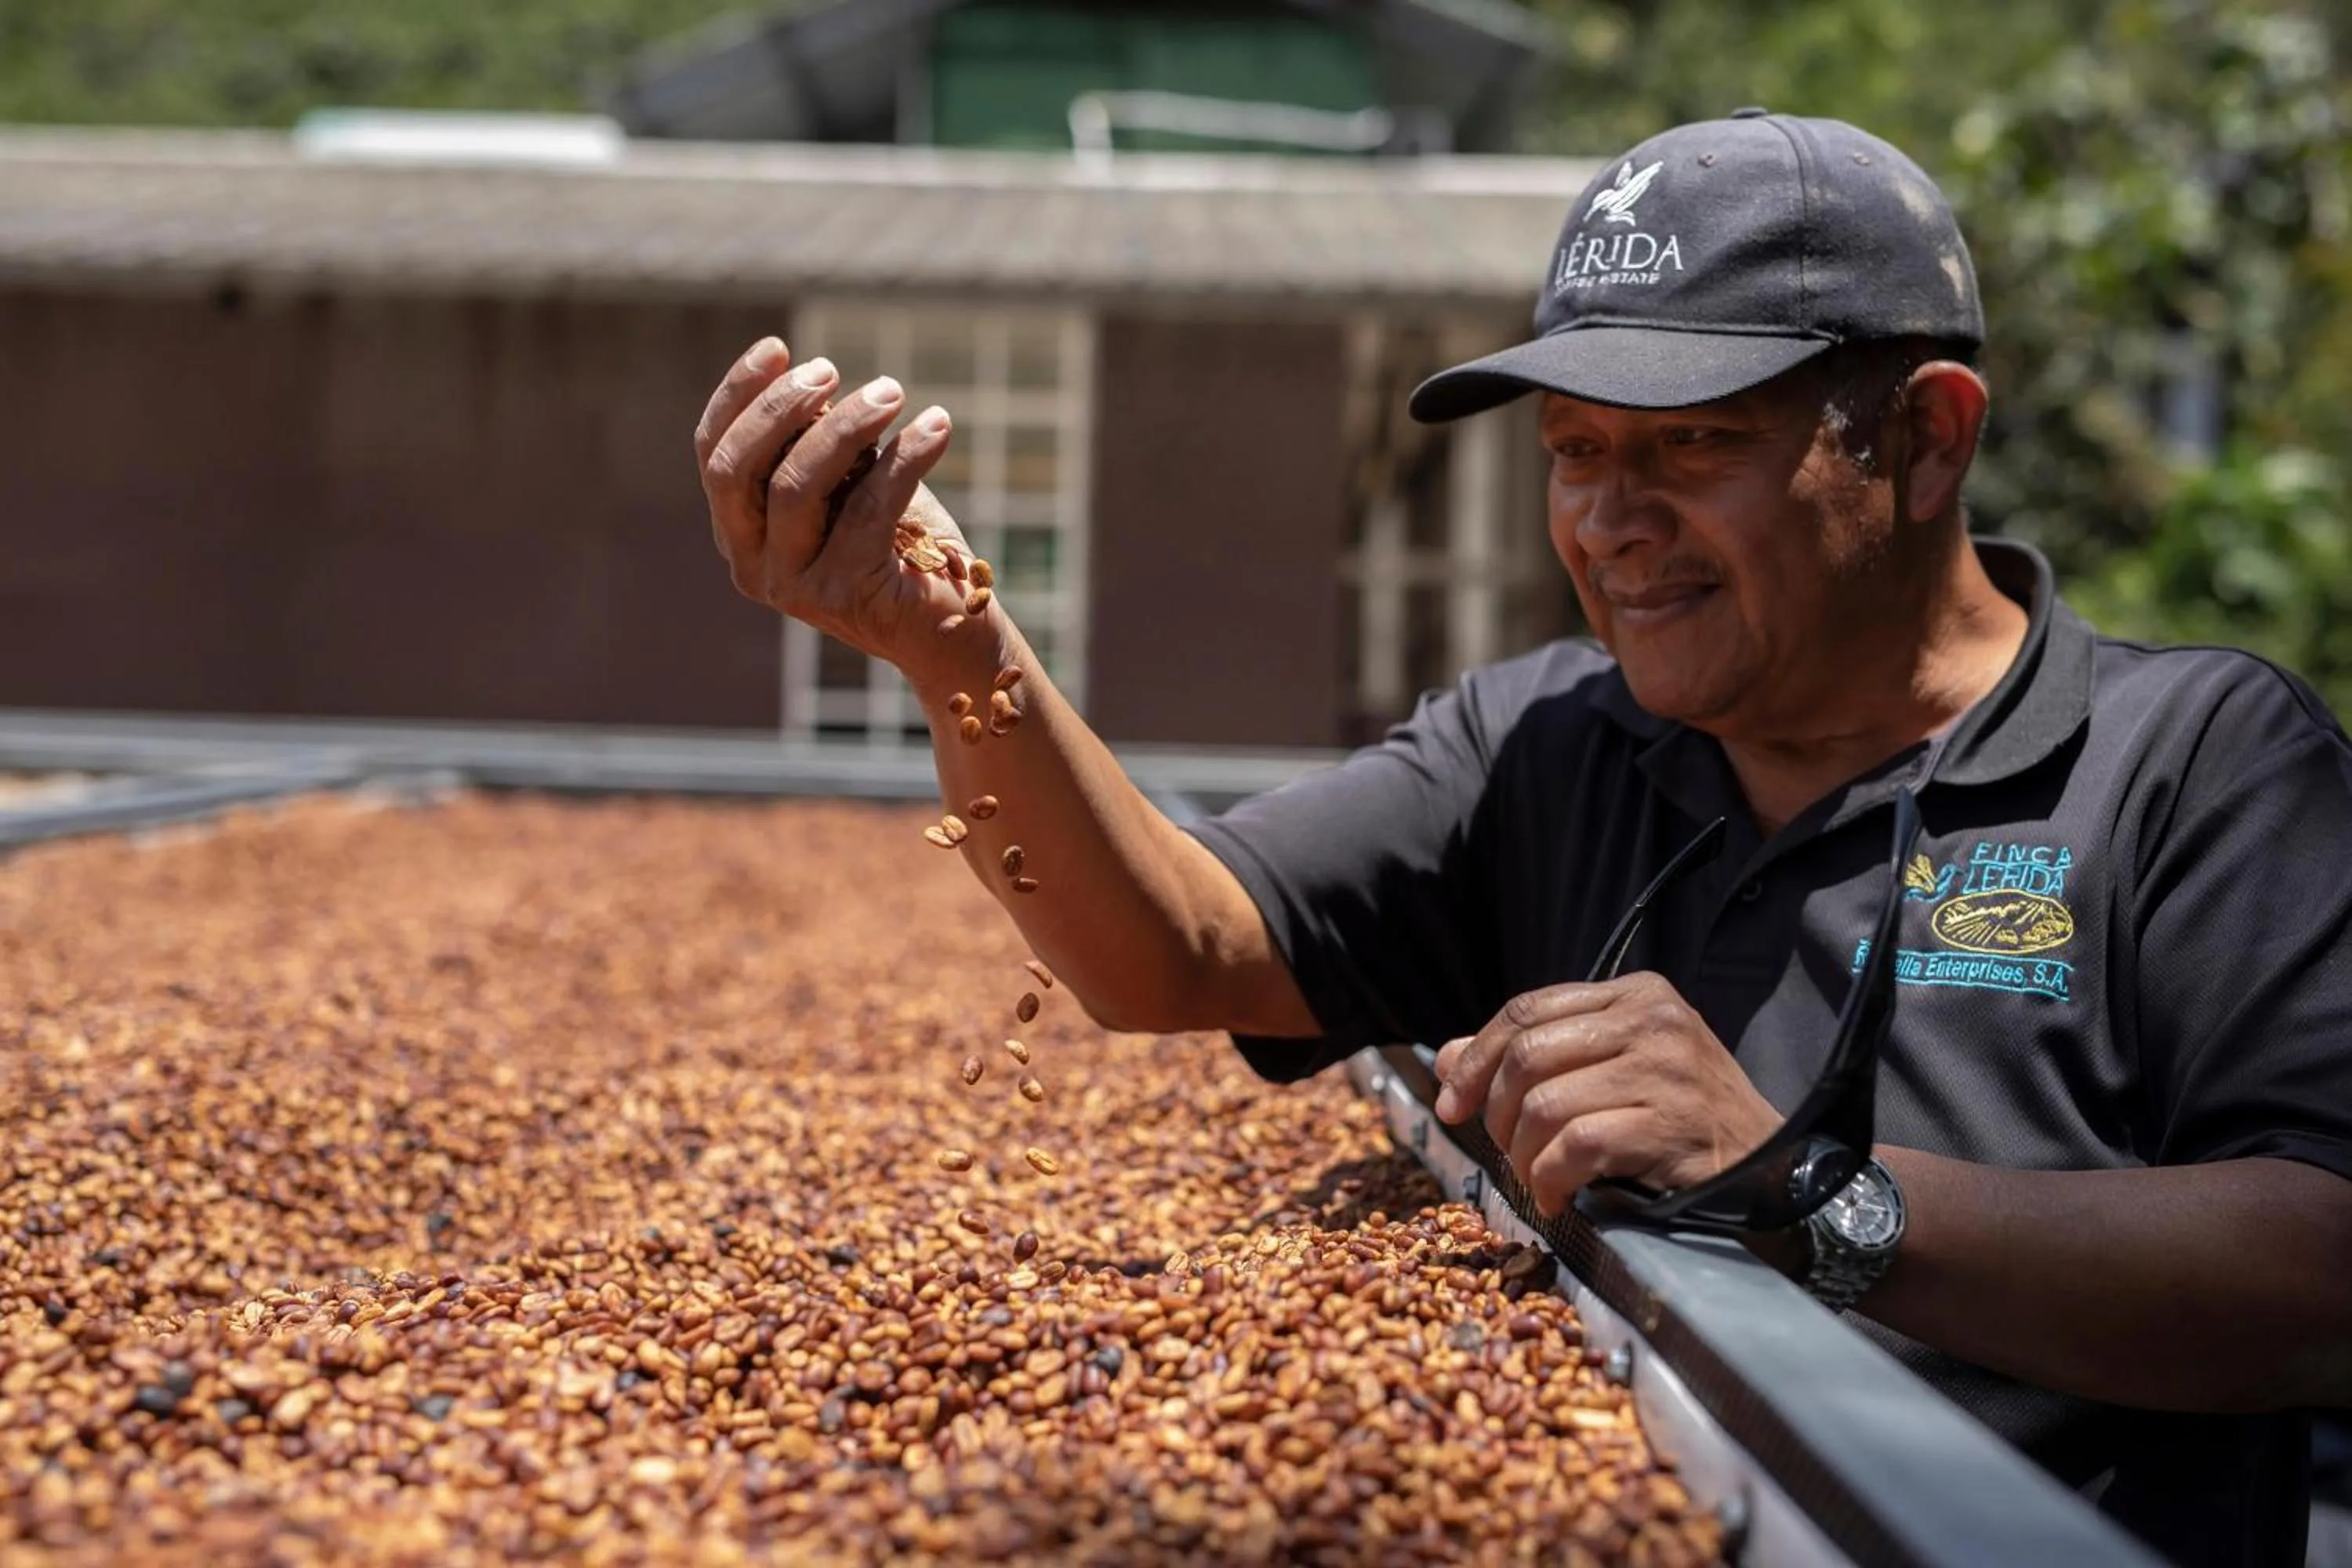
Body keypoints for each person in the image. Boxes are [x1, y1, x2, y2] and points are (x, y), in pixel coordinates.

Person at [694, 110, 2352, 1566]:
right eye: (1573, 453)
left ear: (1925, 437)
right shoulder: (1547, 745)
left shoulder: (2197, 765)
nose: (1610, 521)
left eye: (1694, 444)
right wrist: (951, 645)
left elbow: (2321, 1265)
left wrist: (1804, 1183)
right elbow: (1170, 947)